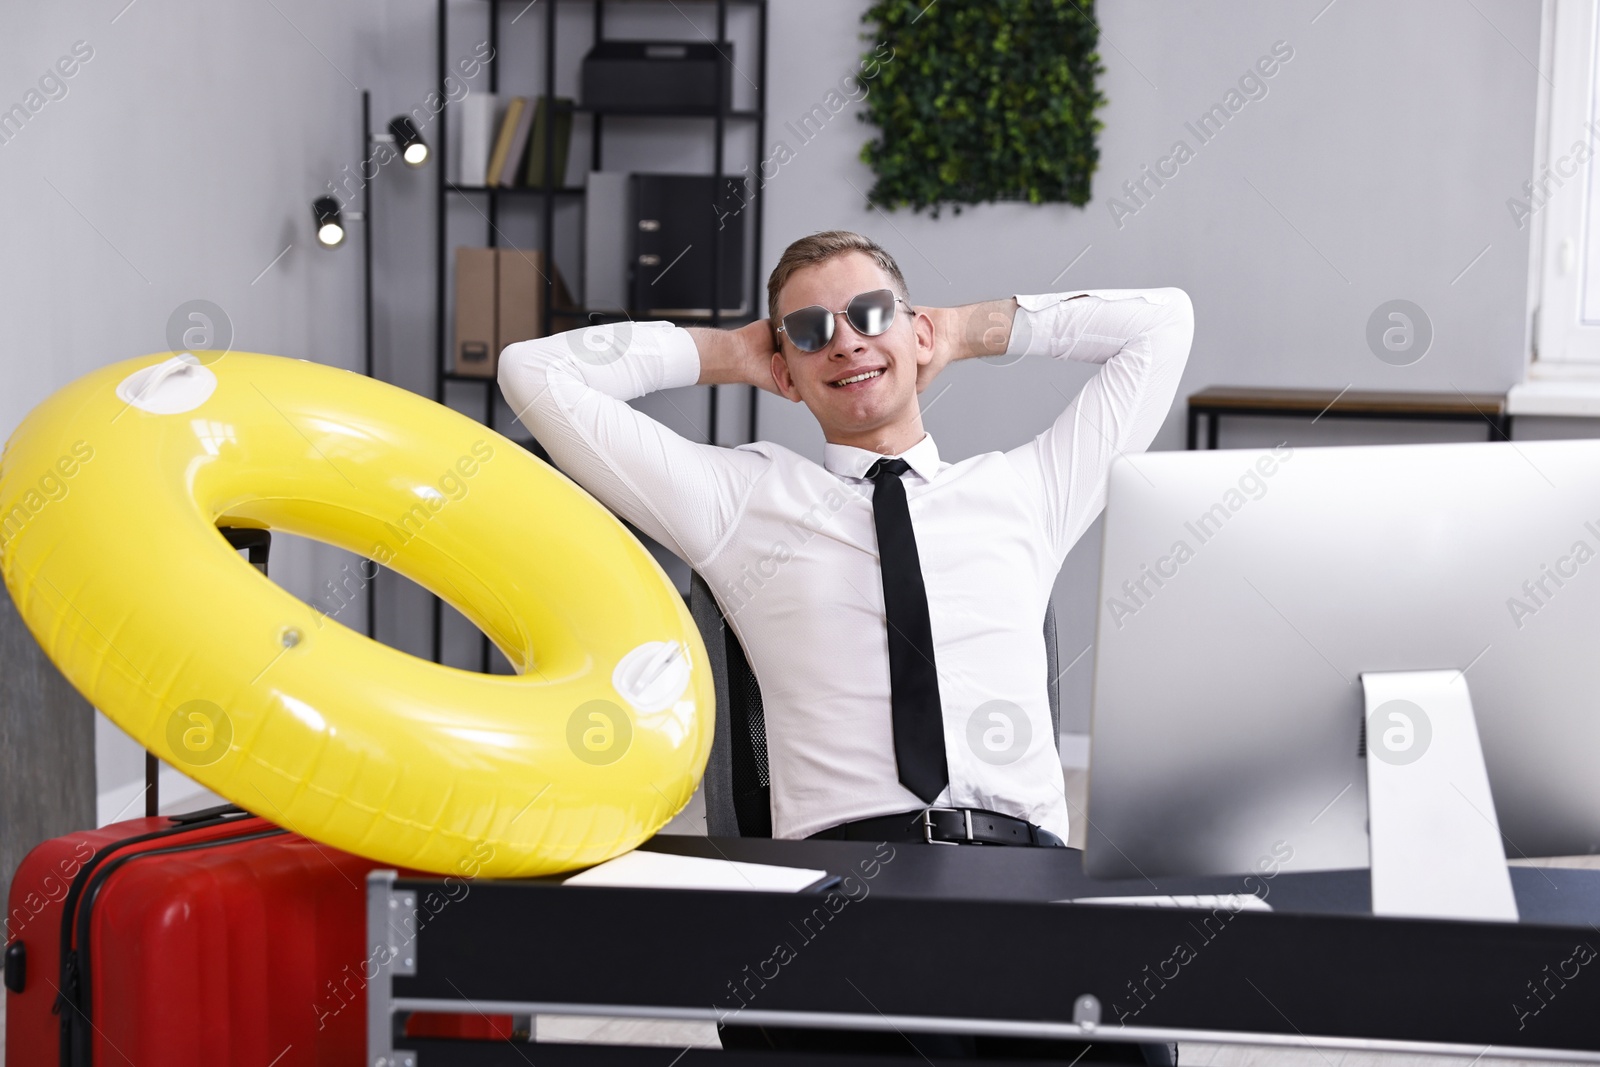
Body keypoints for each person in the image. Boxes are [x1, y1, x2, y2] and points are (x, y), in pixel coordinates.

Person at [500, 230, 1193, 1064]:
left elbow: (1163, 325)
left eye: (871, 315)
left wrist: (968, 328)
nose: (847, 341)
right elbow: (534, 374)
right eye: (808, 330)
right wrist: (729, 351)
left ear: (915, 331)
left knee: (1134, 1036)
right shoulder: (740, 500)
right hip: (842, 892)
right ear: (784, 368)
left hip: (1025, 879)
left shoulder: (1025, 490)